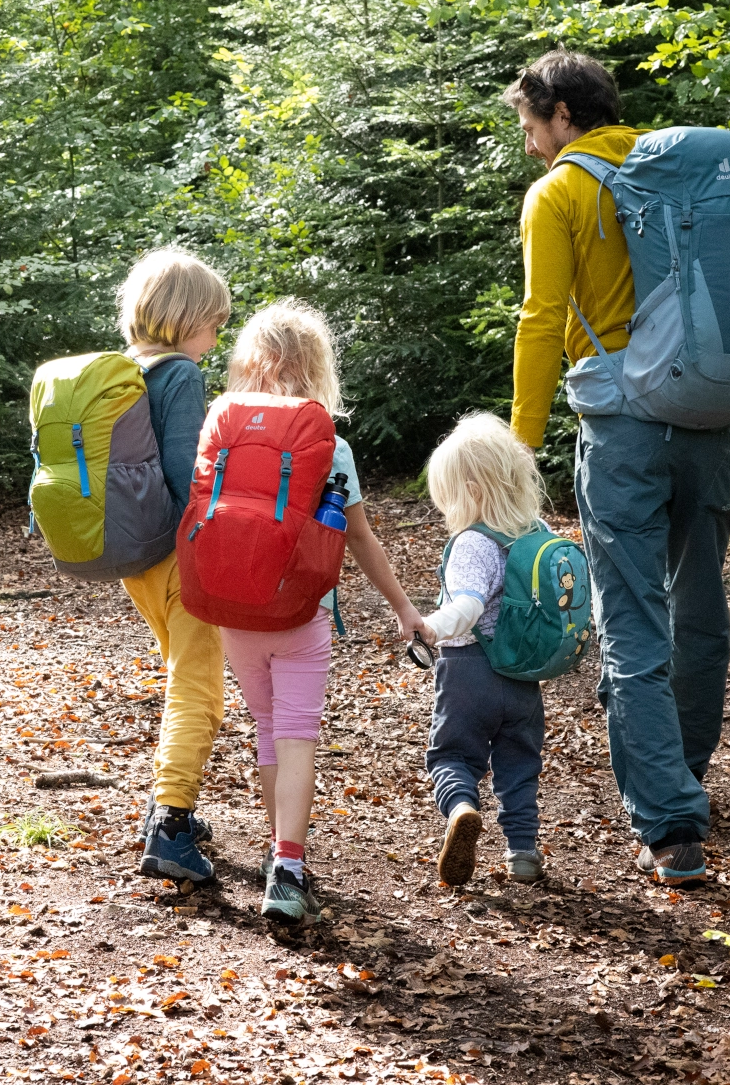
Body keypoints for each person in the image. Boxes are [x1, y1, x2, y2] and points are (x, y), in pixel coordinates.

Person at [505, 49, 730, 888]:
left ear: (562, 115)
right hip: (708, 422)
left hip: (622, 430)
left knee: (631, 624)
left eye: (531, 124)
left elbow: (543, 319)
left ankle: (670, 823)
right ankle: (685, 771)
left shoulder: (563, 193)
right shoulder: (681, 182)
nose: (530, 143)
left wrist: (519, 444)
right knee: (702, 606)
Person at [212, 299, 429, 925]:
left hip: (232, 610)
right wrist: (403, 608)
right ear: (316, 366)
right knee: (297, 731)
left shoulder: (221, 426)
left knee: (265, 727)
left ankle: (276, 849)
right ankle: (288, 866)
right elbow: (358, 538)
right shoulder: (329, 443)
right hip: (301, 611)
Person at [114, 248, 233, 886]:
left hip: (132, 555)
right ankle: (171, 823)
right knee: (199, 691)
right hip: (177, 553)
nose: (214, 340)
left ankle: (166, 803)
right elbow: (194, 474)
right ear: (186, 319)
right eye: (213, 324)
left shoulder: (121, 370)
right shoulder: (180, 374)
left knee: (181, 677)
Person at [416, 413, 548, 887]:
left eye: (448, 496)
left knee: (452, 756)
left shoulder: (473, 542)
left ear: (471, 491)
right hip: (523, 676)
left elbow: (468, 606)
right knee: (519, 763)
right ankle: (523, 852)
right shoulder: (535, 533)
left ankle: (462, 809)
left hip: (469, 670)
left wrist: (430, 627)